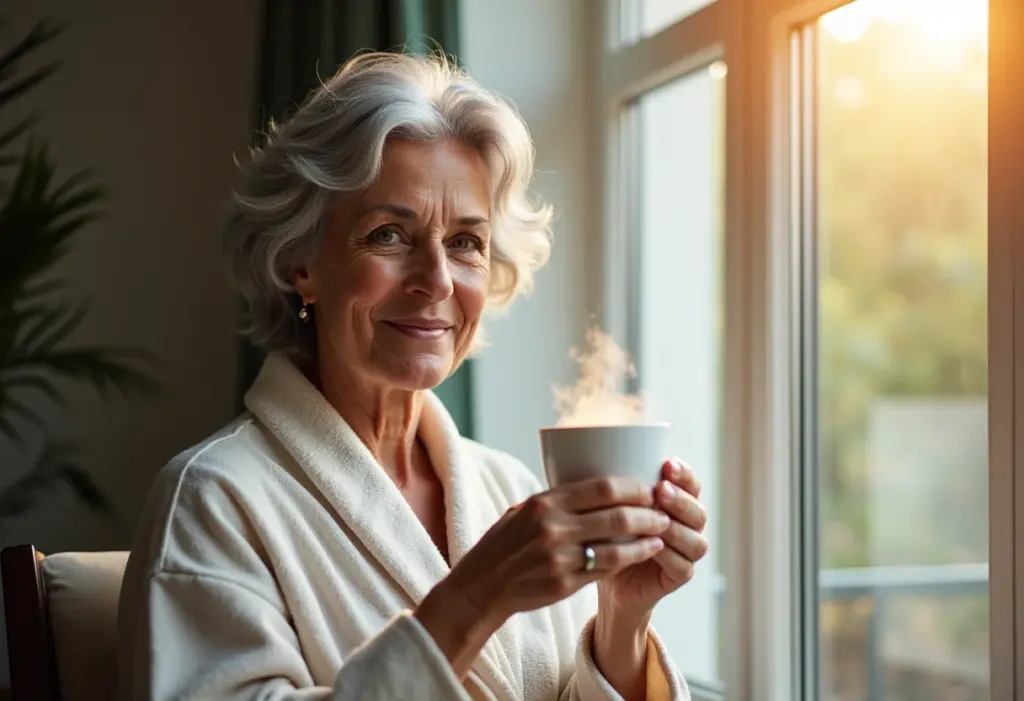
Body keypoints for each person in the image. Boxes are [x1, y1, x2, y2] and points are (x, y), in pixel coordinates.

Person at [117, 52, 709, 701]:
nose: (437, 279)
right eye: (390, 235)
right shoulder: (214, 499)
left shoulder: (503, 485)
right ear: (300, 262)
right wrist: (476, 595)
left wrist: (622, 618)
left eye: (465, 243)